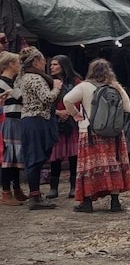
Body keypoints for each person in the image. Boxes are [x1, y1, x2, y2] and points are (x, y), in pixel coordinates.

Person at [63, 58, 130, 213]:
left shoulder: (84, 86)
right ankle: (115, 202)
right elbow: (128, 108)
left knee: (89, 167)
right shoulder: (115, 87)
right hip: (113, 134)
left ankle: (87, 202)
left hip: (90, 132)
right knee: (113, 166)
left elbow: (67, 99)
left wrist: (75, 115)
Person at [17, 47, 63, 210]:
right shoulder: (35, 78)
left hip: (31, 120)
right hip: (36, 120)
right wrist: (57, 86)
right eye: (43, 59)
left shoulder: (24, 77)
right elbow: (47, 98)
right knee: (35, 157)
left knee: (35, 156)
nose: (46, 62)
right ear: (36, 61)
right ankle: (35, 197)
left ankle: (35, 194)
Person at [46, 55, 82, 199]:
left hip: (72, 121)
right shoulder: (48, 82)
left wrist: (70, 112)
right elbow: (44, 101)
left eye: (55, 64)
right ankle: (53, 187)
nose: (52, 67)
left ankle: (74, 186)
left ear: (63, 65)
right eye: (51, 65)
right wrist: (58, 112)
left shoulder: (76, 81)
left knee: (74, 156)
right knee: (56, 156)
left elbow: (81, 97)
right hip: (55, 120)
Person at [0, 51, 27, 204]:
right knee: (9, 157)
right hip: (8, 122)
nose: (19, 66)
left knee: (16, 157)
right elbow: (22, 98)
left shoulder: (13, 82)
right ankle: (6, 191)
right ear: (10, 64)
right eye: (17, 63)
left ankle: (16, 188)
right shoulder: (2, 83)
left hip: (17, 121)